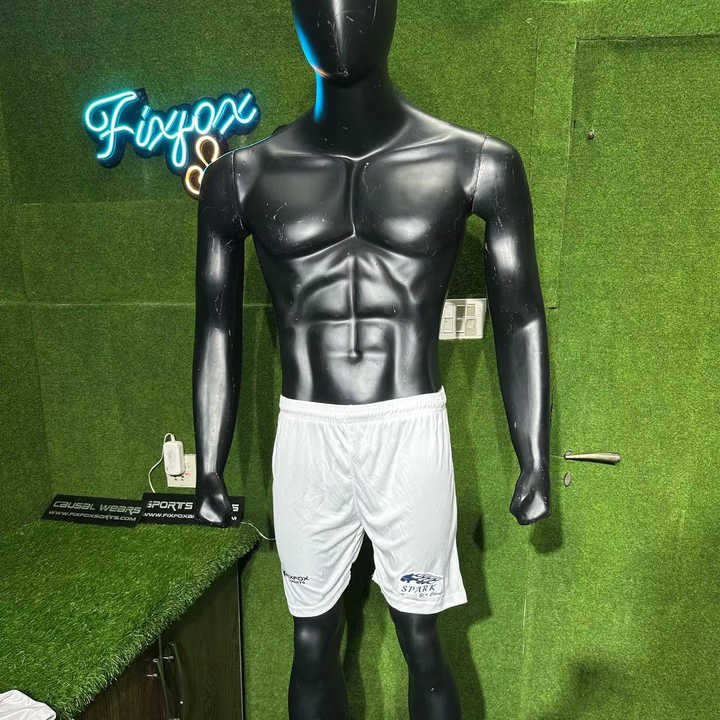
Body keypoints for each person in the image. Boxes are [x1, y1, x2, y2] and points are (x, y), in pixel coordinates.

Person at [192, 1, 551, 717]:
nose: (337, 16)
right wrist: (208, 465)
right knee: (311, 642)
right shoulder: (242, 175)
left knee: (423, 641)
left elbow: (521, 317)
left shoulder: (476, 162)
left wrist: (533, 455)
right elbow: (216, 329)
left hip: (408, 427)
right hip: (307, 433)